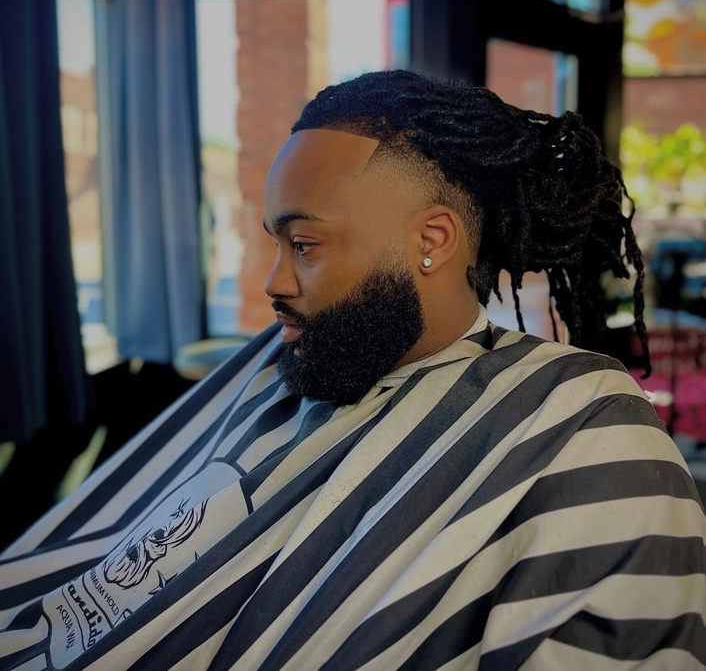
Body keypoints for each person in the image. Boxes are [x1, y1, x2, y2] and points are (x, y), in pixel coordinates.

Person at [1, 70, 704, 671]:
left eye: (304, 244)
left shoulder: (579, 423)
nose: (272, 281)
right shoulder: (278, 363)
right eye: (276, 243)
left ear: (431, 240)